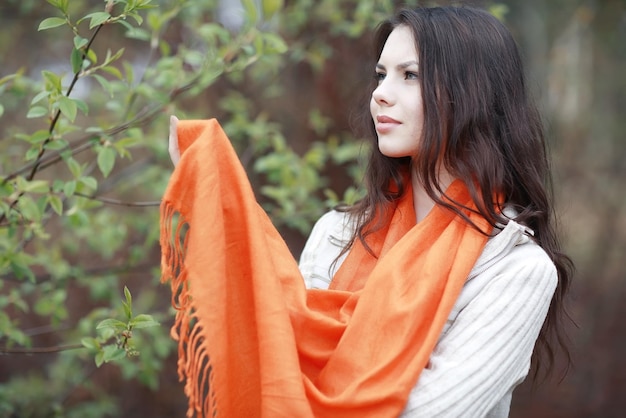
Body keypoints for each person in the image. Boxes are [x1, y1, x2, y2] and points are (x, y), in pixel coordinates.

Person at [163, 5, 573, 418]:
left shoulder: (516, 270)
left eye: (409, 75)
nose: (380, 93)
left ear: (471, 94)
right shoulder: (337, 233)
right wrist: (216, 206)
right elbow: (279, 358)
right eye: (381, 75)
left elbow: (434, 412)